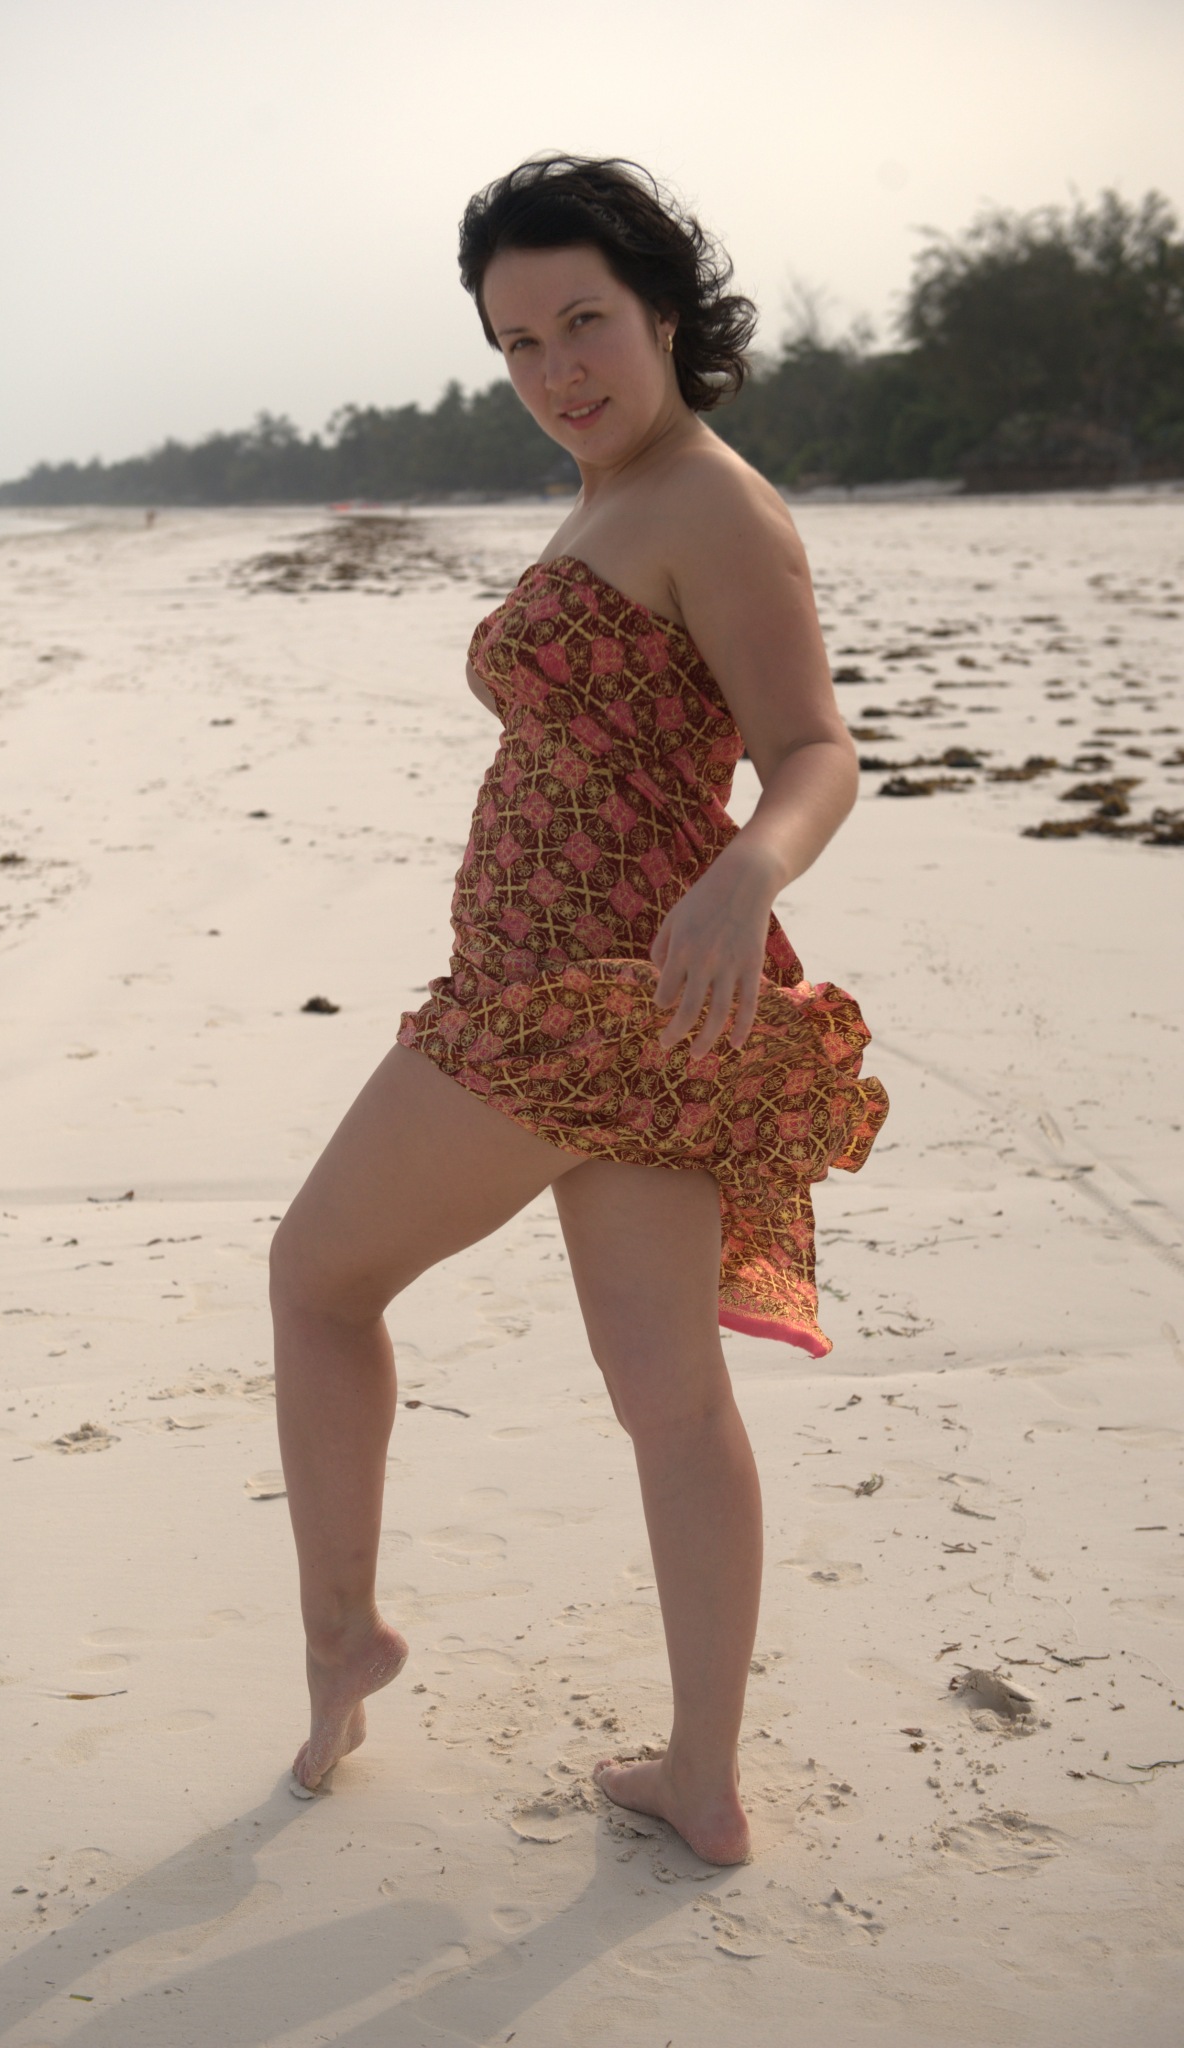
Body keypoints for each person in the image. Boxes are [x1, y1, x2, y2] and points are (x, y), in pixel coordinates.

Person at [269, 155, 888, 1867]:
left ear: (667, 312)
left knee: (316, 1283)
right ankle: (703, 1781)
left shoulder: (708, 502)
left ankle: (342, 1639)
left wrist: (753, 868)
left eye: (586, 322)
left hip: (567, 1000)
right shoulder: (623, 493)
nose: (558, 369)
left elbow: (814, 748)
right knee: (669, 1397)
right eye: (519, 341)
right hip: (632, 1006)